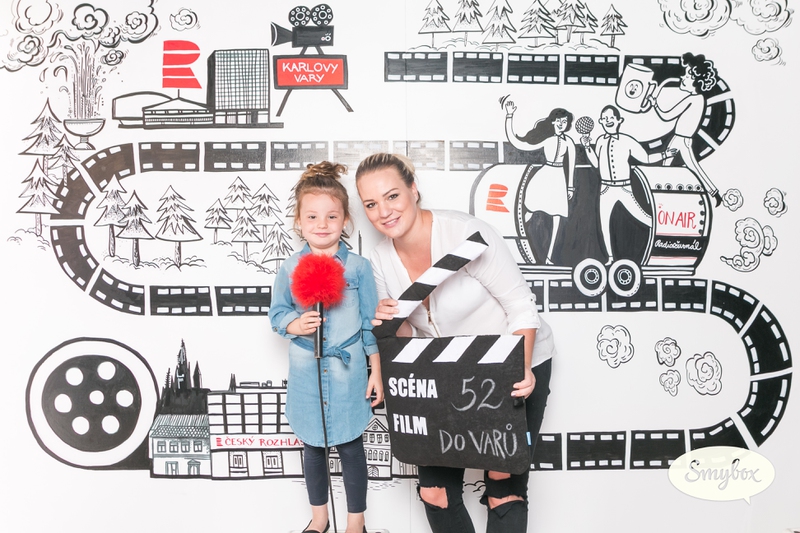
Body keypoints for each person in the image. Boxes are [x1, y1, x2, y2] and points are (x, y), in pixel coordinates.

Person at [355, 153, 555, 533]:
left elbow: (521, 307)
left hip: (513, 361)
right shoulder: (380, 259)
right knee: (435, 491)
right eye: (371, 204)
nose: (384, 211)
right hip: (445, 374)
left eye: (392, 196)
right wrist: (391, 322)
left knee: (503, 486)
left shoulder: (466, 234)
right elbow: (409, 339)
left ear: (414, 189)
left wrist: (522, 367)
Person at [270, 161, 383, 533]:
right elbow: (277, 314)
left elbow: (369, 325)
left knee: (351, 448)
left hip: (348, 373)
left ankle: (355, 523)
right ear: (299, 222)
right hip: (306, 375)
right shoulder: (289, 268)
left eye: (332, 216)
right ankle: (319, 519)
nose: (322, 224)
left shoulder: (359, 268)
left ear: (345, 220)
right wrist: (295, 323)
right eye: (312, 216)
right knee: (313, 448)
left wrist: (376, 371)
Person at [582, 105, 677, 265]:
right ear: (601, 121)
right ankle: (610, 258)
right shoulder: (600, 141)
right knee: (604, 224)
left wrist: (665, 154)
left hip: (624, 188)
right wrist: (586, 147)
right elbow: (597, 164)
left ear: (619, 120)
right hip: (605, 189)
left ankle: (666, 240)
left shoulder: (627, 141)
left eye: (611, 118)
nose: (608, 121)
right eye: (604, 118)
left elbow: (646, 159)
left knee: (644, 218)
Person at [504, 103, 576, 265]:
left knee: (557, 217)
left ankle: (549, 257)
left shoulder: (569, 142)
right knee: (528, 209)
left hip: (559, 179)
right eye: (559, 121)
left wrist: (570, 186)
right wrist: (509, 116)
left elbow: (571, 165)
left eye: (565, 121)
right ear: (553, 122)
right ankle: (517, 242)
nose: (561, 124)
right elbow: (518, 144)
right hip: (544, 176)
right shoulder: (547, 140)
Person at [650, 52, 722, 206]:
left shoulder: (693, 99)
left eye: (687, 75)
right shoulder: (700, 99)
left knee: (672, 168)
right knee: (681, 167)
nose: (682, 77)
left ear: (696, 80)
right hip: (682, 139)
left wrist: (655, 104)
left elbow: (667, 116)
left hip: (681, 139)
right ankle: (713, 193)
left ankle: (663, 198)